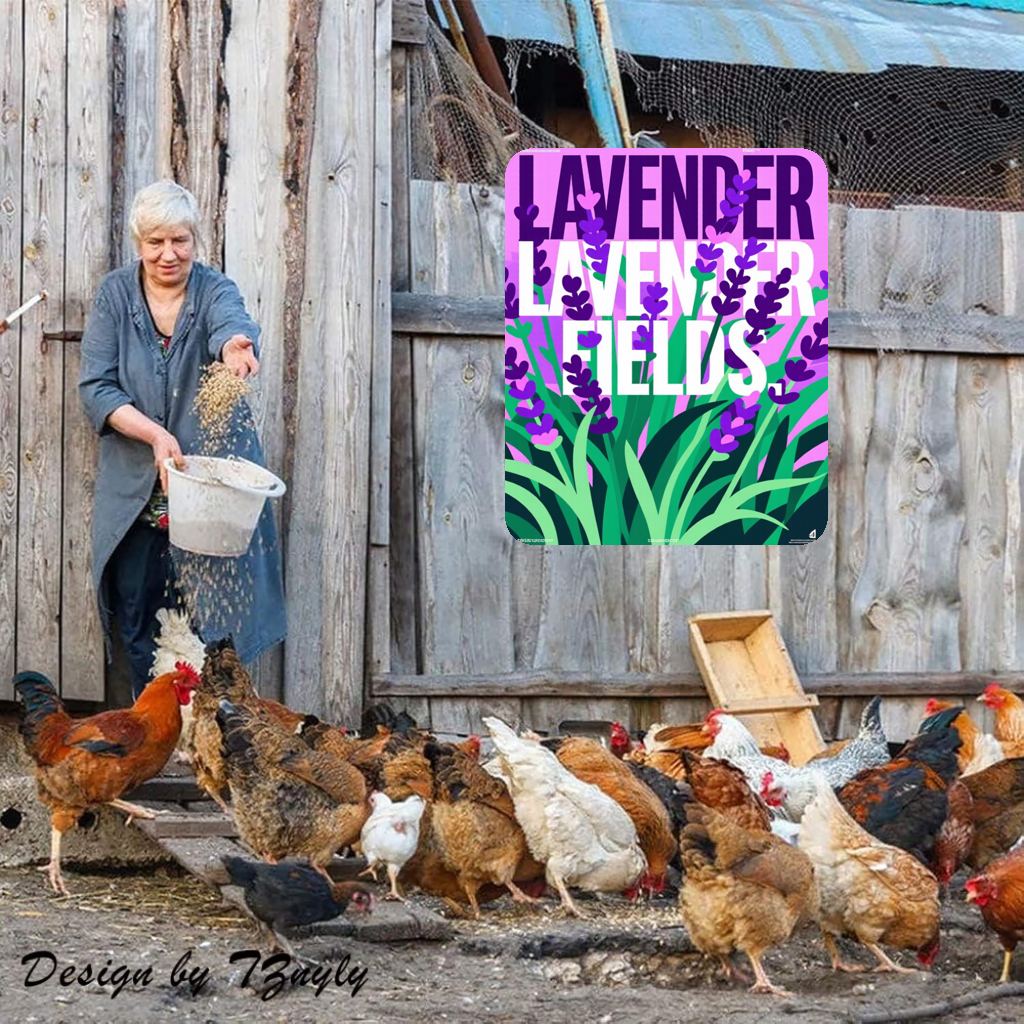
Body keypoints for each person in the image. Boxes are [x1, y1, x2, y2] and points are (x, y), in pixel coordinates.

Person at [79, 180, 285, 698]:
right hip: (139, 491)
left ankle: (213, 725)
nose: (168, 254)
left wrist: (234, 348)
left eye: (180, 240)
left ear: (195, 239)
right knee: (137, 611)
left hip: (209, 489)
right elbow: (96, 387)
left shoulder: (214, 290)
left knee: (213, 621)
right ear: (138, 243)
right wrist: (154, 434)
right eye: (156, 242)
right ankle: (155, 721)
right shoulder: (115, 295)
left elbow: (231, 324)